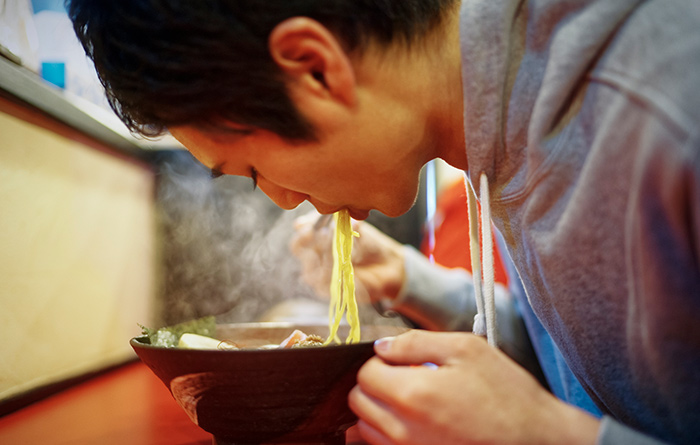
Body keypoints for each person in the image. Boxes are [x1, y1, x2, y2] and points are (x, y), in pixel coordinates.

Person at [65, 0, 700, 444]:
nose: (283, 200)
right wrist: (411, 280)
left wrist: (553, 437)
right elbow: (594, 374)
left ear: (315, 68)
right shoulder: (504, 118)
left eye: (255, 170)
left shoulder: (665, 102)